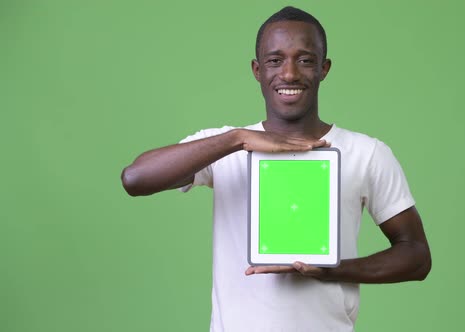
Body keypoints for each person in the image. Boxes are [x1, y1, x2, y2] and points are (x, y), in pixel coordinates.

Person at [121, 6, 431, 332]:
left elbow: (416, 256)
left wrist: (332, 269)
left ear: (324, 68)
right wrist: (239, 139)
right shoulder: (225, 146)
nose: (289, 73)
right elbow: (135, 178)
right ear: (257, 69)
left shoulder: (367, 153)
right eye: (274, 60)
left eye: (306, 59)